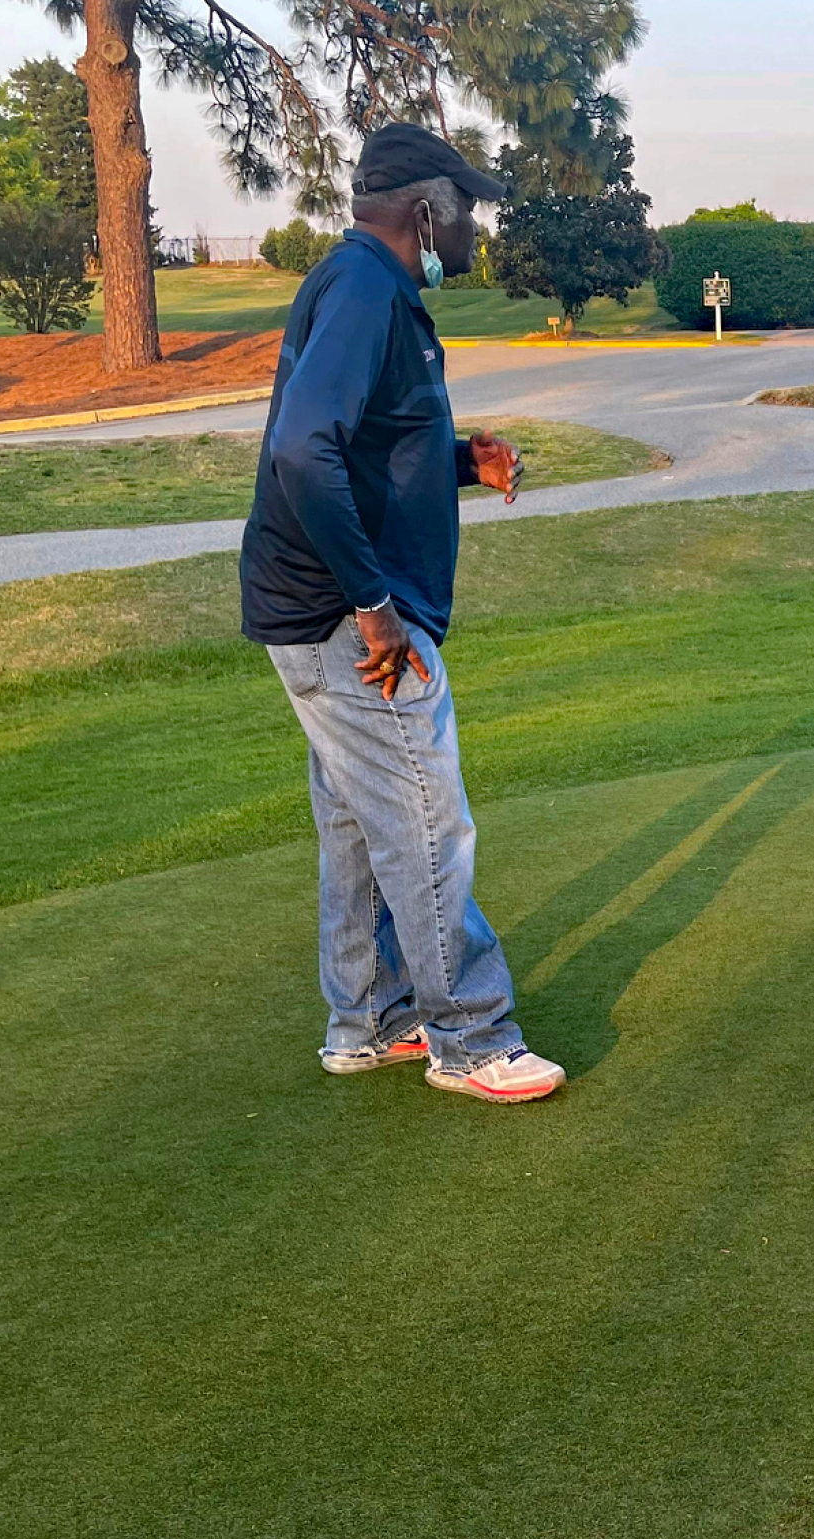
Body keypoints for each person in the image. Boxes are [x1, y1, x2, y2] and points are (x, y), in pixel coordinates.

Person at [240, 123, 568, 1105]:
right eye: (466, 206)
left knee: (356, 818)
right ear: (425, 211)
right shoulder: (365, 292)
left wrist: (464, 459)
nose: (474, 225)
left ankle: (369, 1019)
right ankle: (467, 1034)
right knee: (428, 820)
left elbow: (365, 444)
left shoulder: (366, 290)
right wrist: (375, 607)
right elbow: (305, 451)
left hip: (317, 609)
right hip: (348, 620)